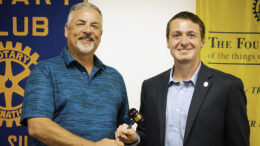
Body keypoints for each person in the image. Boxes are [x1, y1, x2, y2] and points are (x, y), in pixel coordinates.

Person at [115, 11, 250, 146]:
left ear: (202, 41)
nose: (184, 42)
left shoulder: (228, 87)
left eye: (191, 35)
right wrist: (135, 139)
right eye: (176, 35)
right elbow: (146, 136)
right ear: (168, 42)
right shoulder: (150, 87)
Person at [20, 2, 129, 146]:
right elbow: (38, 127)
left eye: (94, 26)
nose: (88, 30)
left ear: (100, 35)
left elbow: (123, 127)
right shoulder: (44, 71)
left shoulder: (115, 77)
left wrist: (130, 137)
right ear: (67, 30)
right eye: (81, 23)